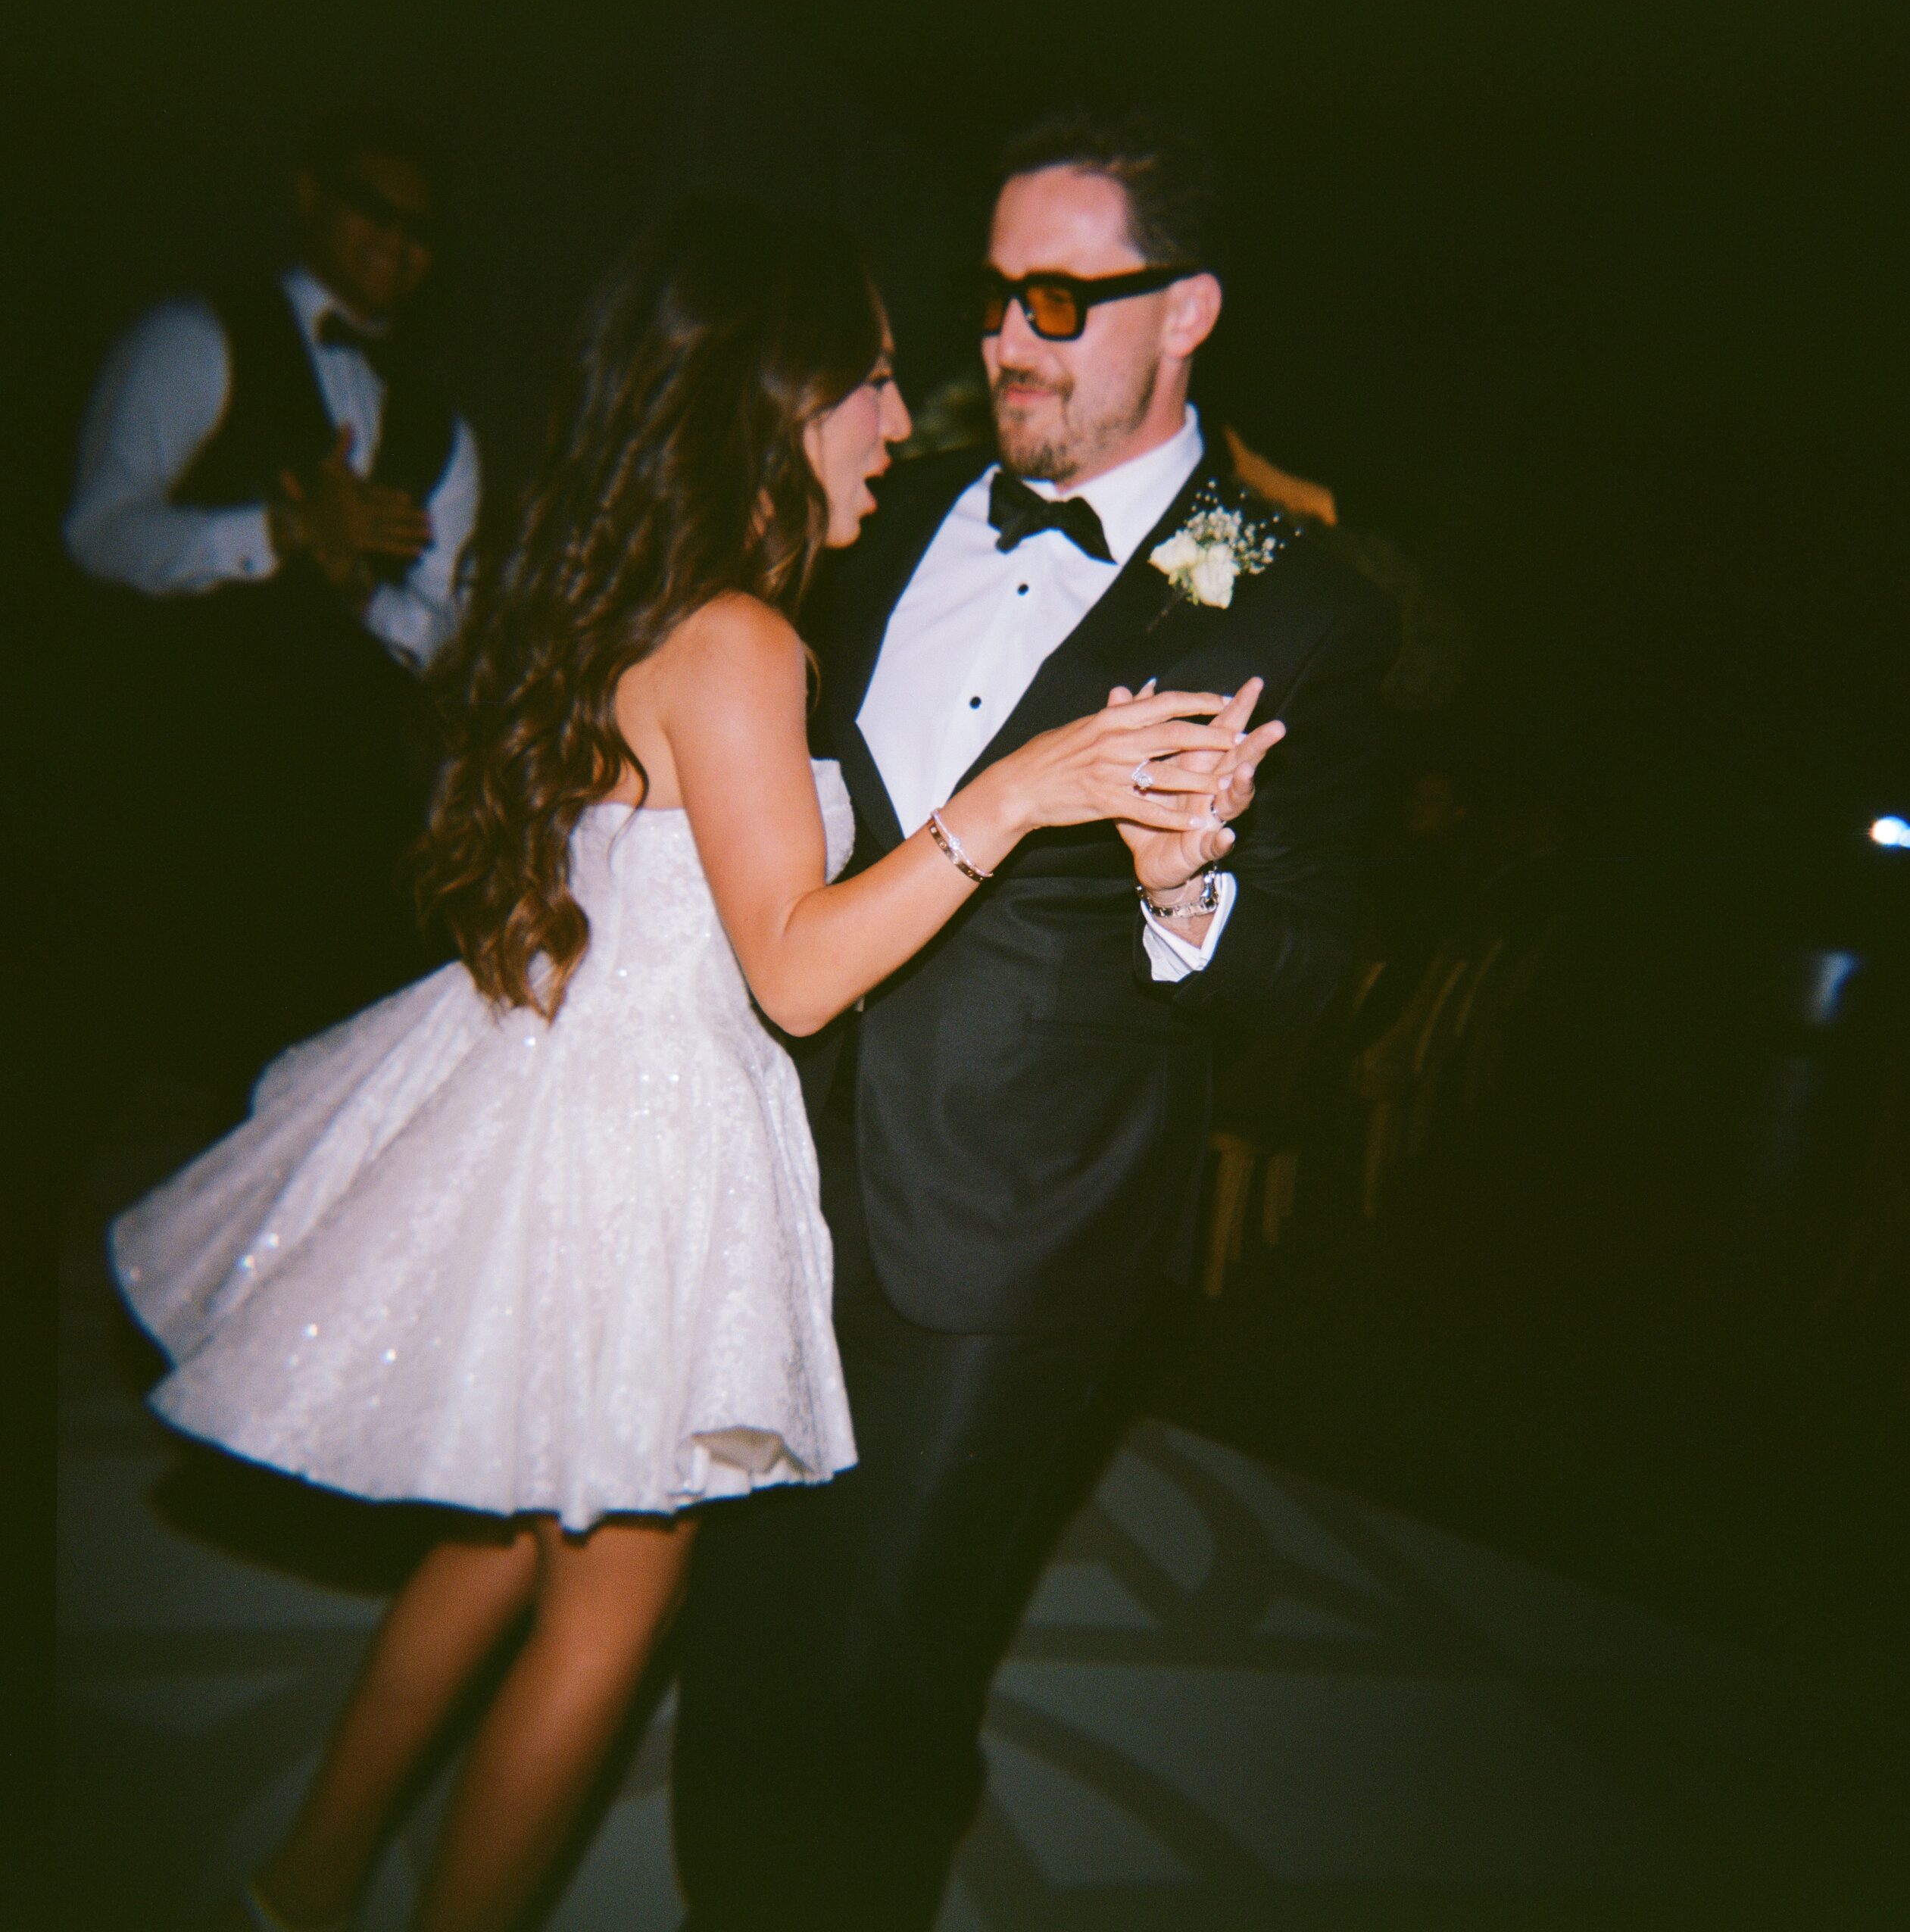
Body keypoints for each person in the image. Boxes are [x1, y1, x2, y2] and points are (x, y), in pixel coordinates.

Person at [110, 201, 1271, 1932]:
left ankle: (299, 1882)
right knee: (608, 1615)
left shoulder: (620, 589)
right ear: (773, 392)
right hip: (640, 1146)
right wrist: (1017, 792)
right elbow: (797, 971)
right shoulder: (741, 639)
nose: (902, 417)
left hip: (558, 1088)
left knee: (499, 1541)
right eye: (871, 381)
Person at [673, 111, 1397, 1930]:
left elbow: (1310, 978)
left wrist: (1182, 888)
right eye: (996, 294)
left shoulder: (1301, 601)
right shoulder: (894, 497)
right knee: (741, 1614)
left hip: (1013, 1217)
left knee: (884, 1655)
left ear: (1191, 311)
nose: (1008, 337)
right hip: (753, 1137)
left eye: (1062, 296)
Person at [64, 108, 479, 1116]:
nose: (394, 240)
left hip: (328, 814)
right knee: (105, 1065)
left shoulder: (441, 425)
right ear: (311, 199)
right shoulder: (196, 338)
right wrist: (275, 533)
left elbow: (440, 624)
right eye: (371, 209)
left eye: (419, 229)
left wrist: (355, 589)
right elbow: (99, 532)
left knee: (272, 1093)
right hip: (167, 769)